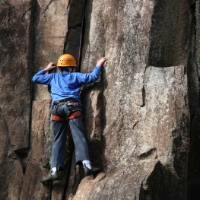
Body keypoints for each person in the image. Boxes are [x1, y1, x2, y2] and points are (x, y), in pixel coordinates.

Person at [32, 54, 107, 184]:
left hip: (56, 110)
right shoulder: (76, 76)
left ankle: (54, 171)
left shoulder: (53, 77)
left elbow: (35, 78)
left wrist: (46, 69)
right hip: (72, 107)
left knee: (58, 140)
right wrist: (98, 65)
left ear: (60, 67)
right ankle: (87, 166)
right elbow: (93, 77)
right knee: (79, 136)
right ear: (72, 67)